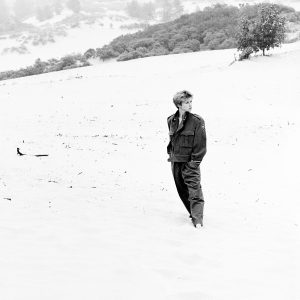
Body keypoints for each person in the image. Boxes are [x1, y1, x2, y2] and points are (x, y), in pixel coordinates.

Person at [167, 90, 207, 228]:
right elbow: (172, 139)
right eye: (187, 102)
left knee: (195, 190)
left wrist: (194, 163)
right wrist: (170, 154)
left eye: (191, 102)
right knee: (182, 189)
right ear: (179, 104)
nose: (190, 105)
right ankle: (193, 213)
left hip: (191, 162)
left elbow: (201, 145)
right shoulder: (170, 120)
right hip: (175, 161)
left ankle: (198, 221)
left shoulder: (197, 121)